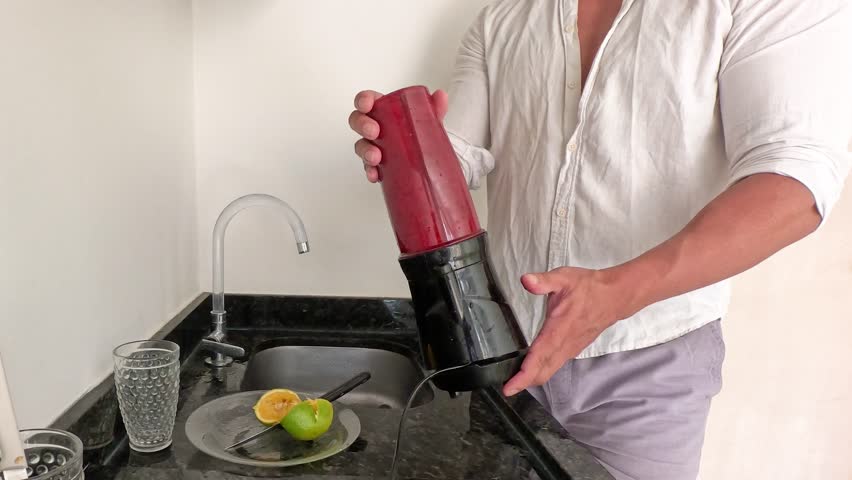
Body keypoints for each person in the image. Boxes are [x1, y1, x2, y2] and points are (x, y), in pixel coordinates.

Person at [348, 1, 852, 478]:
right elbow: (461, 154)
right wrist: (406, 150)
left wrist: (616, 291)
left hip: (647, 368)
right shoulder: (504, 18)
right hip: (507, 357)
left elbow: (795, 183)